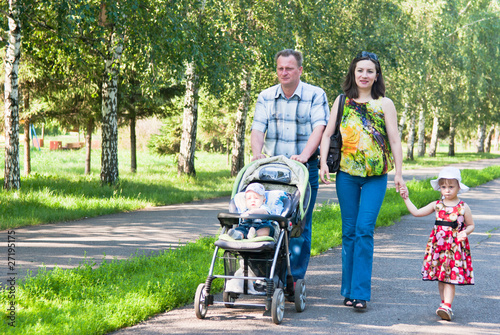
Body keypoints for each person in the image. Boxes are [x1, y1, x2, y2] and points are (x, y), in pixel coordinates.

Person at [319, 51, 406, 310]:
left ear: (376, 75)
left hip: (375, 178)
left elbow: (394, 140)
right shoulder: (342, 101)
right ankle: (348, 290)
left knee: (364, 230)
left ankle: (360, 294)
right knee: (348, 232)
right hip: (346, 176)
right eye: (360, 70)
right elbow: (327, 134)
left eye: (369, 71)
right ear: (353, 73)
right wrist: (323, 162)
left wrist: (399, 173)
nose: (364, 75)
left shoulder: (385, 104)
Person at [251, 49, 329, 281]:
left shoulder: (315, 94)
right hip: (271, 172)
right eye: (280, 68)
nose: (284, 72)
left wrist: (304, 156)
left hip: (303, 171)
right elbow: (257, 128)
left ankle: (292, 281)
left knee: (298, 224)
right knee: (266, 218)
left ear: (300, 70)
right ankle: (268, 275)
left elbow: (319, 128)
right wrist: (257, 153)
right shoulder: (266, 96)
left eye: (289, 68)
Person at [401, 167, 475, 321]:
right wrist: (406, 198)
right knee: (441, 277)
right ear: (439, 188)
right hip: (438, 247)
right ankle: (444, 305)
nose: (447, 190)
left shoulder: (463, 207)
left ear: (458, 187)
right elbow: (416, 212)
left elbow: (471, 225)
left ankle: (447, 306)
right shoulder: (437, 205)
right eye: (443, 187)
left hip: (454, 248)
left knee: (449, 277)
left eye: (451, 186)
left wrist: (465, 232)